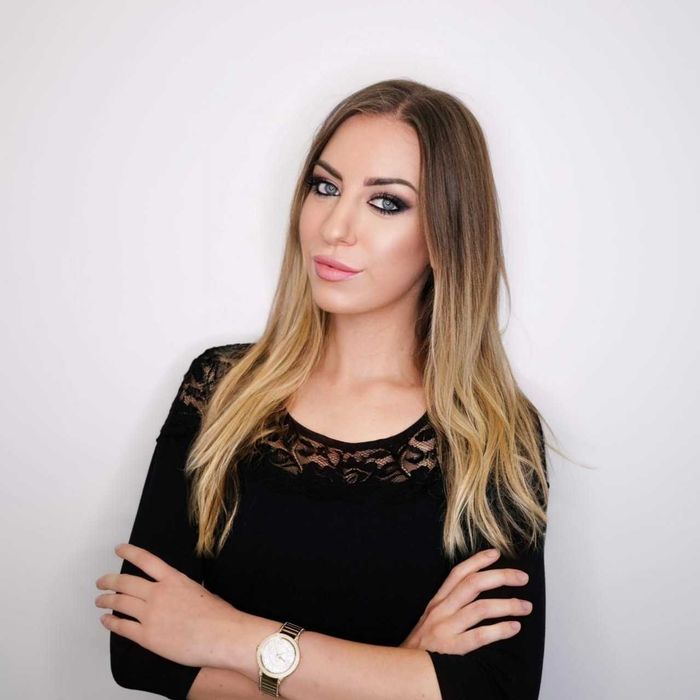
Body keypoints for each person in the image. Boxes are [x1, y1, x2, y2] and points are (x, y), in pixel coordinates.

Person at [95, 78, 550, 700]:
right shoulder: (219, 389)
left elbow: (497, 688)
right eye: (326, 187)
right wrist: (402, 671)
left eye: (386, 202)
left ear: (447, 234)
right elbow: (138, 651)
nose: (335, 227)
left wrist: (229, 635)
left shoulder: (493, 432)